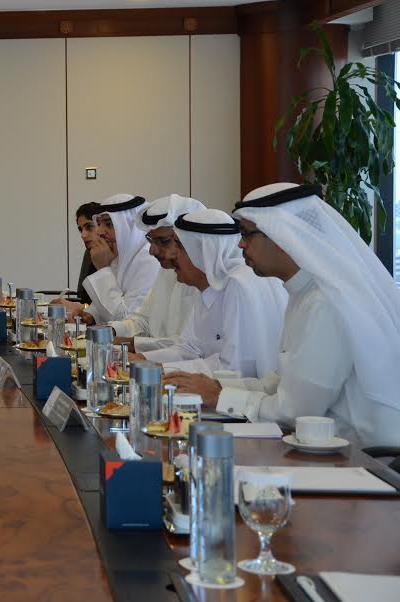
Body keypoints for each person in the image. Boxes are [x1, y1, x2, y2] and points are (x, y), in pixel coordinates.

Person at [165, 183, 400, 447]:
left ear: (282, 234)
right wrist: (216, 387)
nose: (240, 243)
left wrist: (220, 397)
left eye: (247, 234)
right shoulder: (303, 292)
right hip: (322, 447)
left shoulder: (325, 302)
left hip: (364, 458)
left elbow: (295, 410)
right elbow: (281, 382)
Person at [136, 209, 287, 379]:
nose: (171, 254)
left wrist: (157, 369)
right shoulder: (209, 287)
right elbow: (190, 349)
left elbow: (234, 369)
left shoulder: (238, 284)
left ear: (203, 252)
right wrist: (142, 361)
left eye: (179, 246)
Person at [110, 194, 204, 352]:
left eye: (163, 241)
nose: (152, 251)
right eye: (151, 240)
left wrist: (132, 345)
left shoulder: (209, 280)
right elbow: (143, 320)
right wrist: (110, 331)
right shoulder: (167, 270)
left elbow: (190, 347)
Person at [60, 194, 160, 323]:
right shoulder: (121, 255)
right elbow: (109, 304)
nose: (100, 232)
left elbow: (126, 319)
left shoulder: (150, 260)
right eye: (99, 224)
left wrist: (103, 269)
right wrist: (91, 315)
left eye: (108, 224)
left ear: (130, 226)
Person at [72, 202, 100, 305]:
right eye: (80, 230)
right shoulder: (89, 252)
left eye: (89, 227)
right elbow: (83, 297)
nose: (83, 235)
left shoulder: (116, 256)